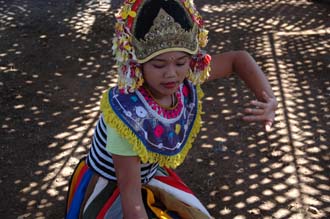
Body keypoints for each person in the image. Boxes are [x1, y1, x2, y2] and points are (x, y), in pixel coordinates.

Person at [65, 0, 277, 218]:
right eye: (158, 65)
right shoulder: (126, 114)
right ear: (137, 63)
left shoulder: (186, 79)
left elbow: (237, 59)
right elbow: (131, 198)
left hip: (146, 175)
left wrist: (270, 100)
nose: (171, 74)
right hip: (113, 186)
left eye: (180, 62)